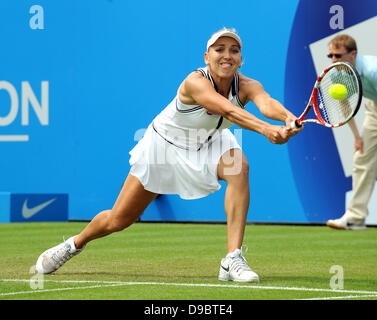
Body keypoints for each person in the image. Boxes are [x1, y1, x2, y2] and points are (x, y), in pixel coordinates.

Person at [35, 28, 302, 282]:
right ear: (207, 57)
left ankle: (232, 258)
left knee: (239, 168)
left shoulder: (247, 85)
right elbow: (229, 112)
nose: (227, 55)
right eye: (219, 49)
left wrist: (287, 118)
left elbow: (266, 103)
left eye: (234, 50)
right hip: (164, 147)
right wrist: (267, 130)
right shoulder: (194, 82)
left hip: (208, 142)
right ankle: (73, 244)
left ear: (240, 59)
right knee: (118, 219)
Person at [326, 34, 377, 230]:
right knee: (361, 158)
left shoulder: (373, 70)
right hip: (374, 110)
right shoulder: (337, 73)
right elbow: (346, 105)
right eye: (330, 56)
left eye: (337, 56)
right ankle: (356, 218)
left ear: (353, 54)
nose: (333, 60)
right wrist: (357, 136)